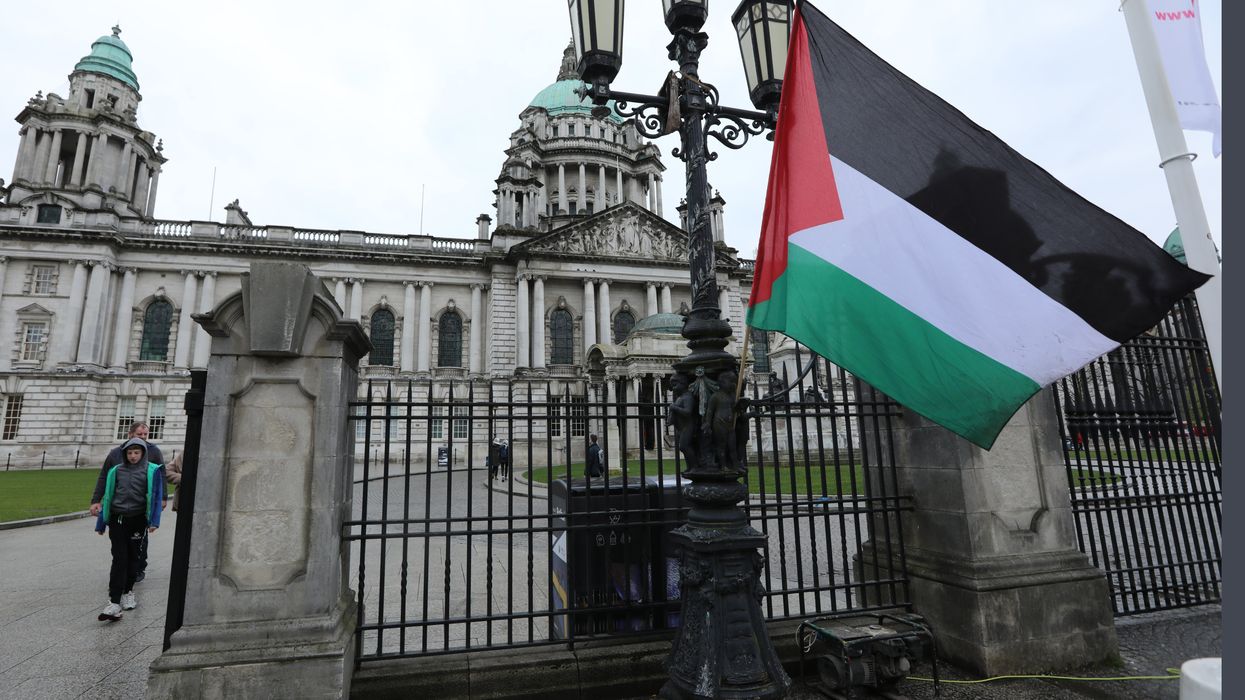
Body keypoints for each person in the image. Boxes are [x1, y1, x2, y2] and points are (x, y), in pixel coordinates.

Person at [91, 438, 165, 622]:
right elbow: (108, 496)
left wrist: (154, 521)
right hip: (118, 519)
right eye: (130, 452)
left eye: (136, 452)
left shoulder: (152, 471)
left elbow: (155, 496)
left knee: (134, 558)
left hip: (138, 520)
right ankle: (114, 601)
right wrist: (101, 523)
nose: (133, 456)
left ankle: (128, 591)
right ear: (125, 453)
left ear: (143, 453)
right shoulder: (116, 471)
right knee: (119, 558)